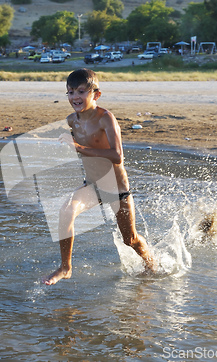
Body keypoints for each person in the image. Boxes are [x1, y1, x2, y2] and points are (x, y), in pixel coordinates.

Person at [43, 68, 155, 285]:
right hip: (92, 186)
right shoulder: (71, 121)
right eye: (70, 92)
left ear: (96, 94)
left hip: (116, 189)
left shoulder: (106, 118)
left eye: (81, 91)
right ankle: (65, 268)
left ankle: (152, 265)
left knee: (129, 239)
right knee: (66, 211)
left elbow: (117, 156)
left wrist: (78, 147)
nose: (75, 97)